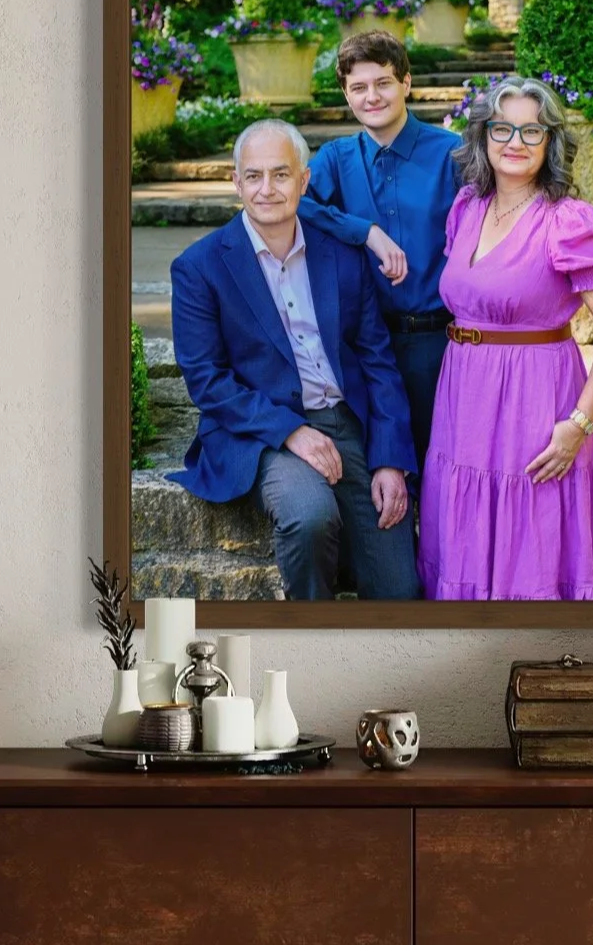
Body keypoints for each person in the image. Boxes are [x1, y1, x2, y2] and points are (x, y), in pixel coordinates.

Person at [169, 119, 420, 602]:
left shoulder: (342, 256)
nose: (268, 189)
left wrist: (390, 460)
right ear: (236, 182)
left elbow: (377, 360)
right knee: (309, 514)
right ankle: (308, 637)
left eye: (281, 175)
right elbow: (206, 380)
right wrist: (289, 431)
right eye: (255, 176)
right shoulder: (199, 267)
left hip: (346, 421)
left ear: (304, 182)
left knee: (399, 589)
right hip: (262, 430)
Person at [417, 78, 593, 600]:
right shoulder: (467, 206)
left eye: (531, 130)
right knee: (465, 522)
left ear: (550, 141)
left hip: (533, 402)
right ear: (483, 137)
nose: (515, 141)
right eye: (502, 128)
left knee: (530, 530)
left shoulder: (568, 221)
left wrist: (579, 424)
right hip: (464, 398)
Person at [297, 27, 462, 466]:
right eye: (358, 87)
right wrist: (364, 230)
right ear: (346, 95)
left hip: (442, 343)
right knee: (383, 480)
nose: (372, 96)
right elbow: (293, 204)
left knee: (445, 474)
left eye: (383, 83)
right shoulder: (334, 159)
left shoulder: (453, 155)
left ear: (406, 83)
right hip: (366, 349)